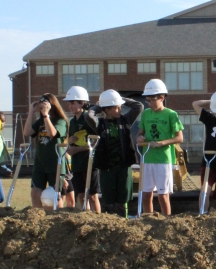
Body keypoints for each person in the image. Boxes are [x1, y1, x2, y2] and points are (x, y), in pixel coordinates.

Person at [85, 89, 144, 217]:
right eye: (116, 107)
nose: (120, 110)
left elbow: (138, 106)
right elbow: (89, 115)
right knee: (109, 199)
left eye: (120, 107)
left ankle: (124, 220)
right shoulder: (99, 124)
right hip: (107, 167)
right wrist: (99, 105)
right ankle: (110, 221)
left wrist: (119, 98)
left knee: (123, 198)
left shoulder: (125, 120)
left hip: (124, 166)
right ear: (106, 110)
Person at [136, 79, 184, 216]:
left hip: (163, 159)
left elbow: (179, 138)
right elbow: (140, 134)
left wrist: (162, 143)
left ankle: (166, 222)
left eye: (152, 100)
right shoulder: (145, 114)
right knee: (146, 195)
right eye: (147, 100)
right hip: (147, 158)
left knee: (163, 196)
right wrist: (140, 138)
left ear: (161, 98)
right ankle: (147, 219)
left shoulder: (171, 114)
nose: (149, 103)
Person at [23, 93, 69, 208]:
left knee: (53, 196)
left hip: (55, 164)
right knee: (35, 193)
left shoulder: (61, 121)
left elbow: (52, 133)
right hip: (40, 164)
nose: (42, 106)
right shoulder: (40, 121)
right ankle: (37, 218)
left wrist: (46, 116)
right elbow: (27, 132)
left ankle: (56, 220)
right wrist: (31, 113)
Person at [64, 86, 101, 212]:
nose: (70, 106)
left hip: (89, 162)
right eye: (69, 103)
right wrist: (69, 143)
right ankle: (87, 217)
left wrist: (78, 150)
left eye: (73, 102)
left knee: (92, 195)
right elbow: (71, 141)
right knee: (80, 195)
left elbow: (97, 141)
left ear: (82, 102)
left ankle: (98, 220)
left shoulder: (89, 119)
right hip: (77, 163)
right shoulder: (72, 121)